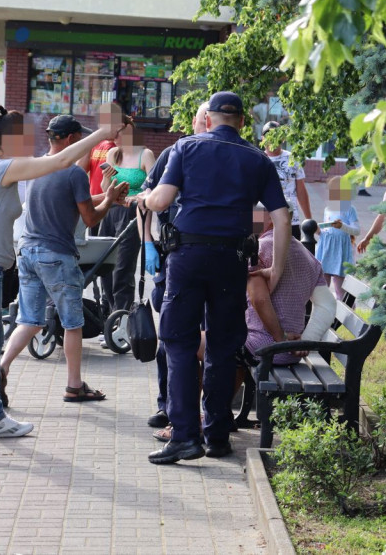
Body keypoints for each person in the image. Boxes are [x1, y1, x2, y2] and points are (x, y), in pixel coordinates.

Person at [0, 106, 126, 454]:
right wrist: (104, 133)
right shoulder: (4, 167)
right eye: (25, 137)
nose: (32, 143)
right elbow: (60, 161)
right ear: (10, 139)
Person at [138, 91, 290, 464]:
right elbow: (283, 217)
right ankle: (217, 436)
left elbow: (160, 201)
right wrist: (276, 269)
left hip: (188, 258)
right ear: (242, 122)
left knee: (178, 343)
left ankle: (185, 437)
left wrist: (142, 199)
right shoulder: (257, 160)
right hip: (232, 260)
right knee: (223, 345)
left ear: (209, 120)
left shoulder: (185, 148)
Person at [0, 115, 126, 405]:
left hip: (28, 252)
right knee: (72, 323)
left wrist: (104, 195)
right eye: (80, 139)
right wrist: (109, 200)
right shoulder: (74, 173)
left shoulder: (37, 167)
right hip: (56, 256)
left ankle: (1, 367)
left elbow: (71, 200)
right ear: (70, 139)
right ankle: (74, 385)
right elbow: (91, 217)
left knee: (29, 320)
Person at [143, 101, 209, 430]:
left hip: (207, 263)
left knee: (202, 341)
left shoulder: (226, 157)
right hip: (170, 258)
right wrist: (146, 242)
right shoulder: (174, 153)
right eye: (200, 122)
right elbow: (147, 198)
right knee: (168, 340)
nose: (204, 128)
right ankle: (167, 406)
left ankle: (198, 414)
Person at [245, 209, 332, 364]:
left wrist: (283, 339)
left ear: (273, 219)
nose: (249, 218)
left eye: (255, 213)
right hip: (292, 354)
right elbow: (328, 306)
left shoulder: (258, 249)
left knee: (193, 342)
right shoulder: (308, 255)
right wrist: (303, 342)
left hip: (262, 347)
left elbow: (259, 300)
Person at [97, 128, 155, 315]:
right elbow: (105, 188)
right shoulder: (113, 153)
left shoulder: (145, 155)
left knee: (123, 267)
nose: (116, 139)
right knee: (103, 263)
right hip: (110, 210)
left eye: (119, 134)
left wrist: (136, 197)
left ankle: (121, 317)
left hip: (132, 212)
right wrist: (107, 179)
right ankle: (111, 316)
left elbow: (153, 189)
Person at [260, 121, 313, 240]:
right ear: (262, 138)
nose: (272, 138)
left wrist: (309, 220)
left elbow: (301, 191)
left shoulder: (293, 158)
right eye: (268, 135)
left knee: (293, 258)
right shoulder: (258, 159)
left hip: (291, 221)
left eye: (276, 135)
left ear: (283, 138)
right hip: (264, 222)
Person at [315, 176, 360, 299]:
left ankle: (343, 315)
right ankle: (325, 313)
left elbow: (357, 230)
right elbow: (327, 231)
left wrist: (342, 226)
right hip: (326, 250)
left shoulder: (350, 209)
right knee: (322, 288)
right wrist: (318, 231)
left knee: (340, 290)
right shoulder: (328, 209)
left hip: (341, 252)